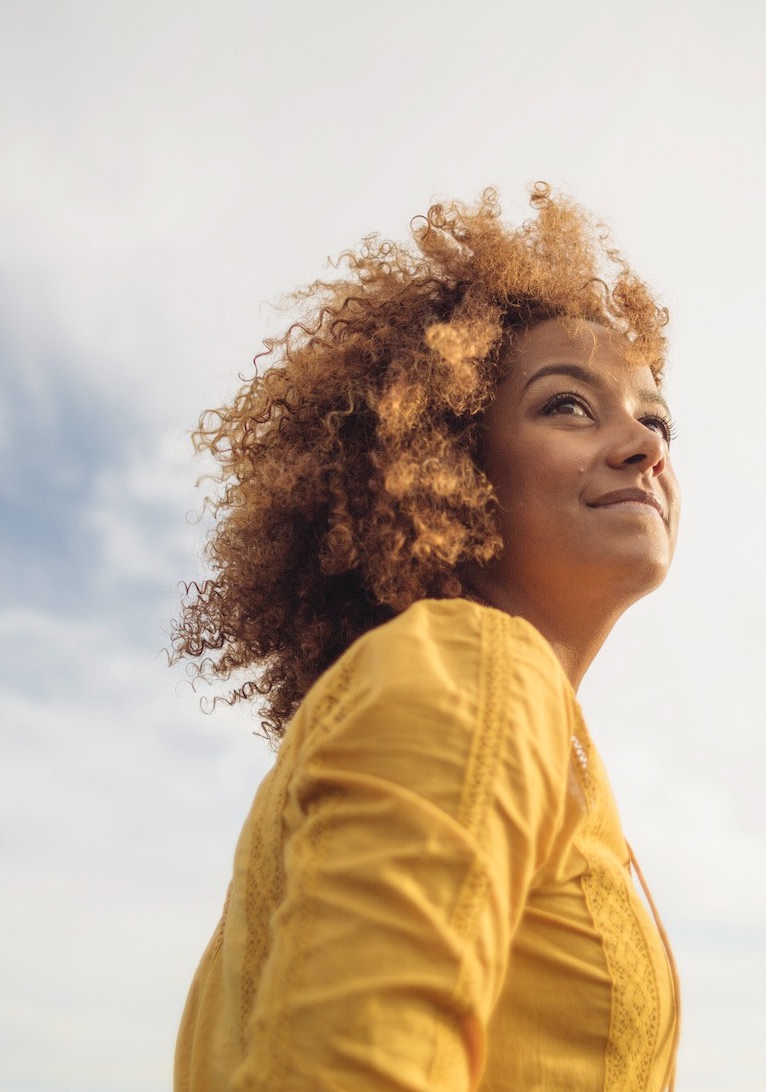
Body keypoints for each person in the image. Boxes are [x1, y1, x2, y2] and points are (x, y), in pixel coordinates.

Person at [172, 184, 682, 1091]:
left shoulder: (505, 712)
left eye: (657, 418)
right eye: (569, 405)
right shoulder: (475, 669)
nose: (643, 445)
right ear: (448, 460)